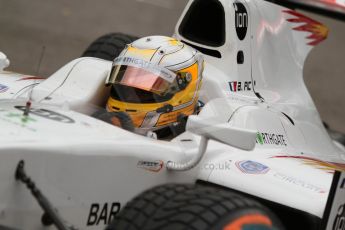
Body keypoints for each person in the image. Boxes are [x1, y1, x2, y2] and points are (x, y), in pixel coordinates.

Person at [104, 35, 204, 138]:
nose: (129, 97)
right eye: (124, 88)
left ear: (183, 94)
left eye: (142, 92)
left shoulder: (202, 140)